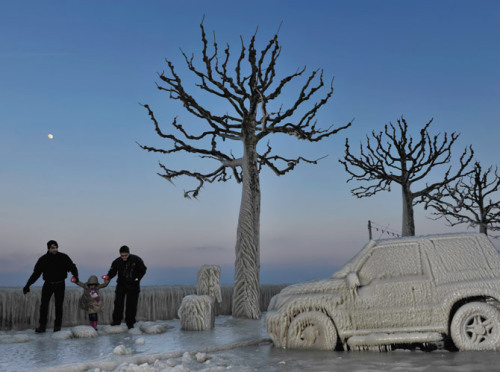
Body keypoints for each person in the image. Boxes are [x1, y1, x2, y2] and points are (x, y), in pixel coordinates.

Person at [23, 240, 79, 333]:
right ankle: (42, 326)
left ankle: (57, 326)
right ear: (48, 248)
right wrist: (27, 285)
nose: (55, 249)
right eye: (53, 248)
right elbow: (36, 274)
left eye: (56, 247)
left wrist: (76, 276)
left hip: (60, 284)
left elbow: (72, 267)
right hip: (48, 284)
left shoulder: (63, 257)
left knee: (58, 306)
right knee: (44, 306)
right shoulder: (43, 259)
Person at [106, 245, 147, 329]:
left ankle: (130, 323)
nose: (124, 257)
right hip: (121, 285)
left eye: (125, 255)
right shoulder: (117, 261)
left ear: (128, 253)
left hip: (133, 285)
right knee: (118, 303)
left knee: (131, 305)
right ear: (120, 254)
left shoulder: (136, 259)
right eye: (122, 255)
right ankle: (117, 321)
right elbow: (112, 272)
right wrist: (107, 277)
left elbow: (143, 269)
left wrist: (137, 279)